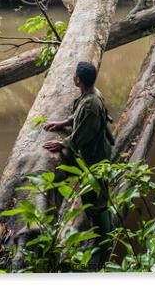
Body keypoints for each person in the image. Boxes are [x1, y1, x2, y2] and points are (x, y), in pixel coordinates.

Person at [42, 61, 114, 269]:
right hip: (95, 153)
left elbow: (83, 133)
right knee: (92, 195)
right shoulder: (91, 94)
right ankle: (100, 235)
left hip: (96, 158)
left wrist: (63, 142)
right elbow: (79, 116)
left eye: (74, 75)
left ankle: (103, 244)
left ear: (77, 80)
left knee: (96, 198)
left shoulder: (91, 104)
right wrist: (64, 123)